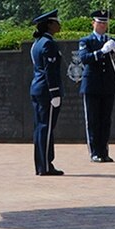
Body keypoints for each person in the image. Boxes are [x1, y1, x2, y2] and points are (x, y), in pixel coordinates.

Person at [78, 9, 115, 163]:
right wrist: (101, 51)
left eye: (105, 23)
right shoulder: (86, 41)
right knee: (92, 120)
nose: (103, 25)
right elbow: (85, 59)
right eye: (100, 22)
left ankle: (104, 151)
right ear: (93, 23)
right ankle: (94, 152)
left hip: (107, 85)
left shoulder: (111, 40)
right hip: (92, 85)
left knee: (106, 120)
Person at [30, 9, 64, 176]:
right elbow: (50, 71)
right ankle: (45, 165)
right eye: (56, 21)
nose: (59, 24)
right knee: (46, 128)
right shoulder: (48, 44)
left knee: (40, 127)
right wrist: (55, 93)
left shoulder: (37, 43)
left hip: (37, 88)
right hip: (46, 91)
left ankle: (42, 165)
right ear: (50, 25)